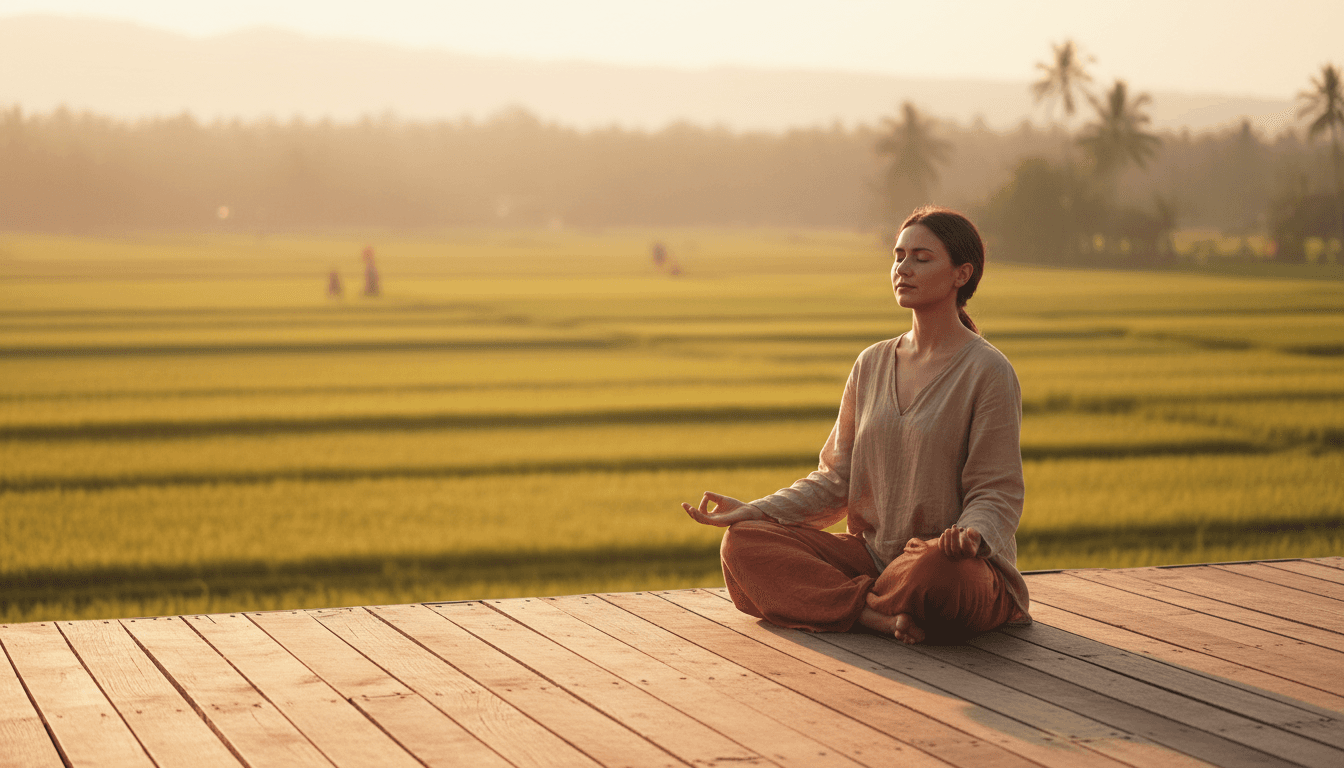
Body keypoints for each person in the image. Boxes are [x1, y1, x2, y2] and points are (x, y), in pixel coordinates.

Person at [681, 206, 1029, 644]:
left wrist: (971, 536)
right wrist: (757, 510)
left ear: (962, 274)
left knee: (937, 574)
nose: (903, 268)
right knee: (743, 543)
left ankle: (853, 604)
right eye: (899, 256)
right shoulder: (872, 363)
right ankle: (875, 614)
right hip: (873, 558)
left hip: (949, 564)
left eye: (922, 258)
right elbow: (835, 480)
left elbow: (996, 490)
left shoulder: (988, 371)